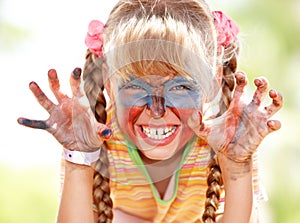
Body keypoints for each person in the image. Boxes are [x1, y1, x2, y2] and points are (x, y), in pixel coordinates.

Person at [17, 0, 283, 222]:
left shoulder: (225, 139)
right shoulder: (93, 138)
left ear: (212, 81)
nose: (157, 110)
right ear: (109, 82)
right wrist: (79, 160)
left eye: (180, 87)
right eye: (134, 85)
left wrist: (237, 167)